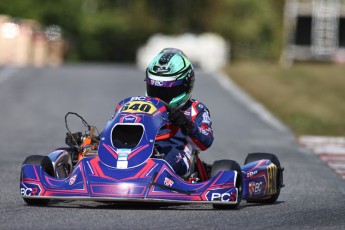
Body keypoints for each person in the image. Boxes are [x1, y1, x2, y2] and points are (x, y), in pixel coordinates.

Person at [145, 48, 214, 177]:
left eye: (166, 92)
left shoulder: (195, 109)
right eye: (155, 90)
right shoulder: (143, 105)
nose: (159, 97)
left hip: (176, 155)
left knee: (166, 158)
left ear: (185, 85)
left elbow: (206, 141)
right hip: (141, 150)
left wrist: (185, 124)